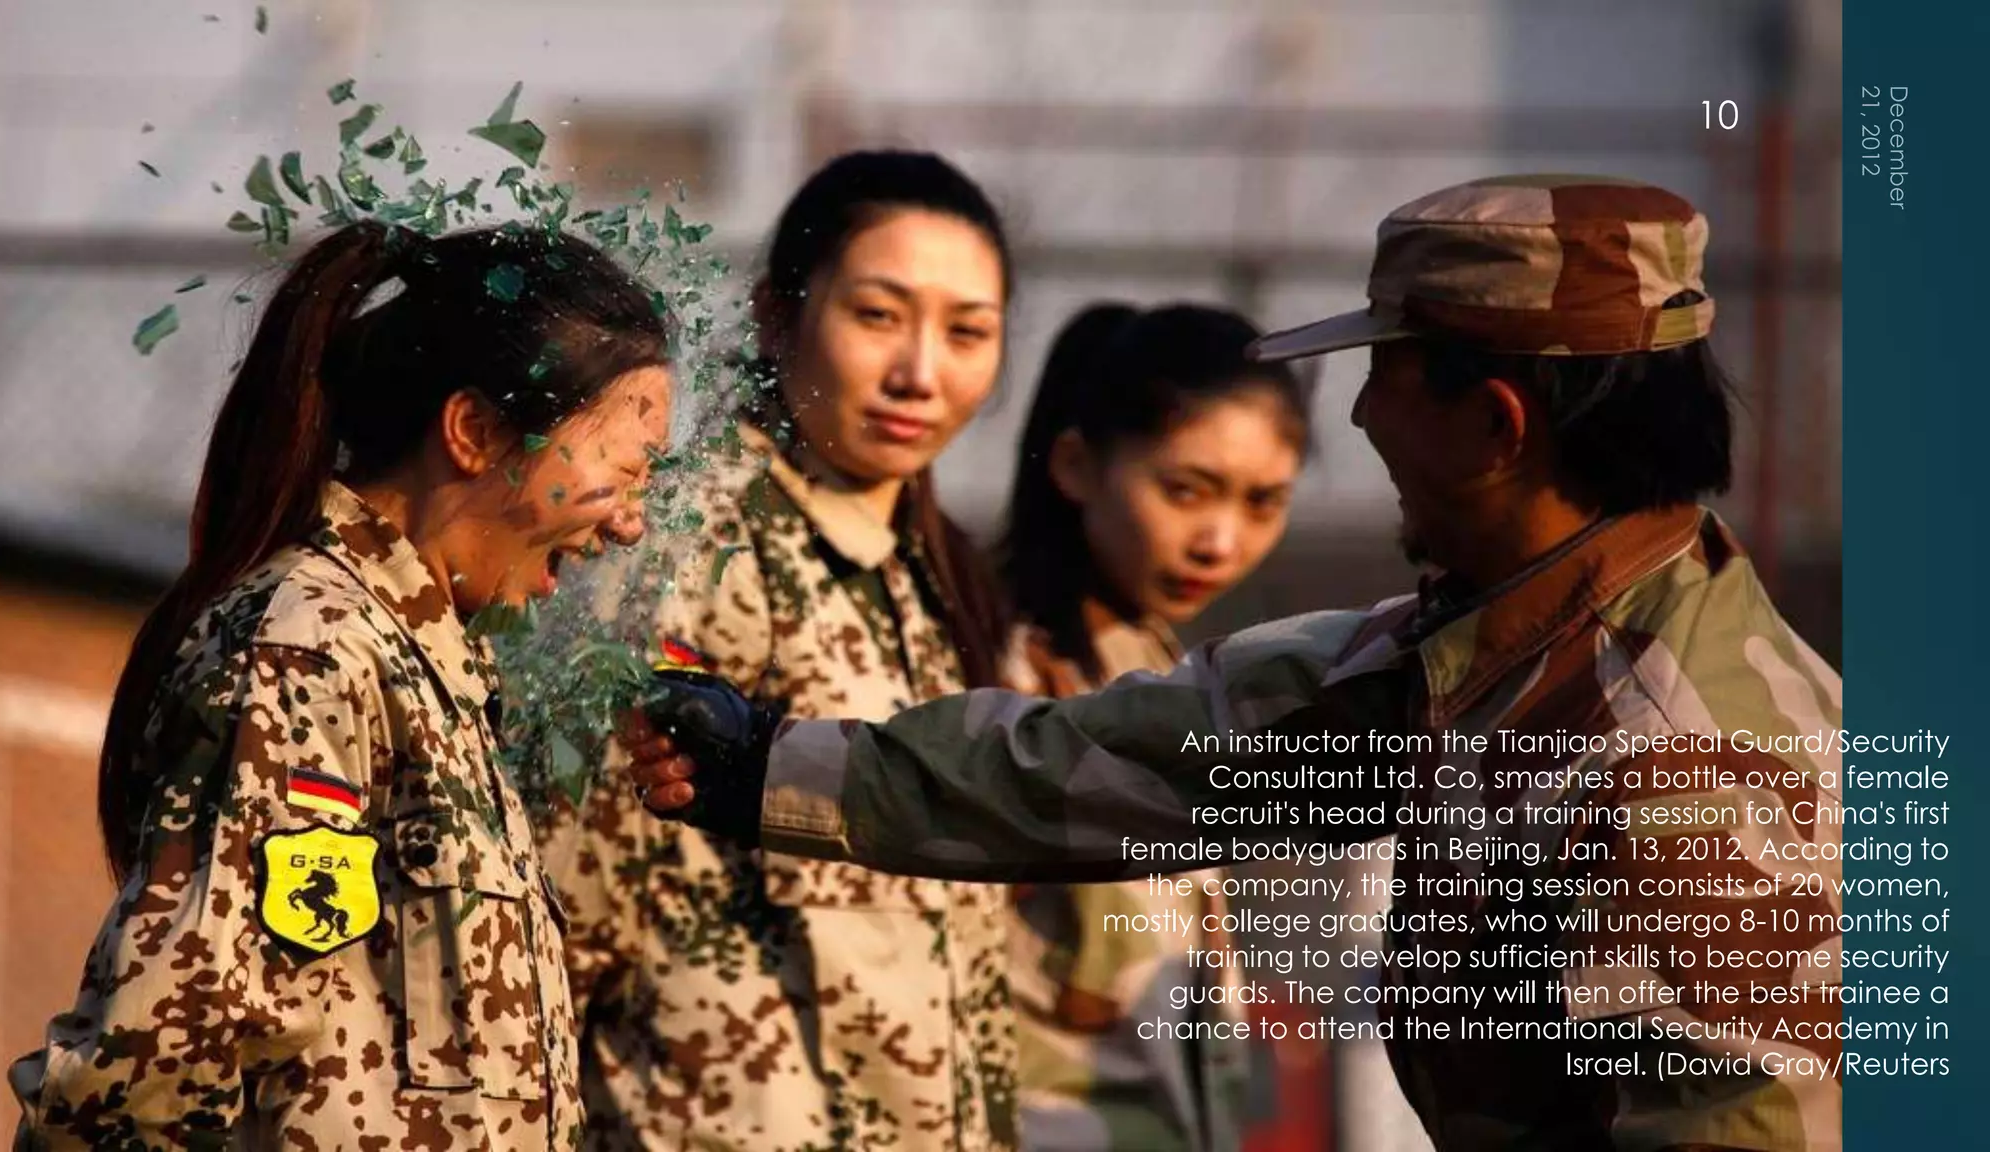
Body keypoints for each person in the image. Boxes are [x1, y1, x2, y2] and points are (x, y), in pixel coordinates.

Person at [625, 175, 1846, 1152]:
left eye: (1385, 378)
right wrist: (772, 766)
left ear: (1493, 426)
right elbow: (1138, 755)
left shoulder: (1692, 776)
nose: (1358, 422)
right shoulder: (1477, 652)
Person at [9, 220, 674, 1151]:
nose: (632, 527)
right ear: (477, 433)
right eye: (624, 467)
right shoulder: (309, 649)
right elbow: (155, 1061)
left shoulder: (421, 663)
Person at [540, 150, 1019, 1151]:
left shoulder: (924, 567)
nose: (920, 373)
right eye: (877, 316)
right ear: (775, 314)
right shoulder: (688, 542)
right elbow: (563, 905)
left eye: (967, 332)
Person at [993, 302, 1312, 1151]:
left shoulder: (1160, 672)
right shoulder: (1003, 680)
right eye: (1185, 489)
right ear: (1075, 465)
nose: (1220, 539)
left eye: (1262, 502)